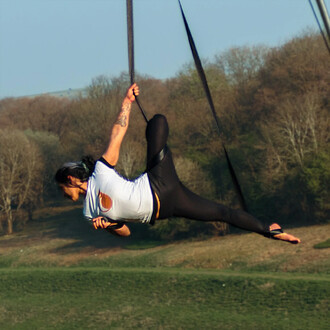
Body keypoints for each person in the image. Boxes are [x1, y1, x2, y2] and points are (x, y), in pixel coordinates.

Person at [55, 83, 301, 244]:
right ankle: (271, 231)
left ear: (70, 179)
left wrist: (127, 102)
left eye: (61, 188)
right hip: (169, 207)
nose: (63, 194)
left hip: (158, 182)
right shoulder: (90, 214)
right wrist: (109, 225)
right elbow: (126, 232)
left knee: (158, 122)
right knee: (221, 213)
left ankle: (268, 229)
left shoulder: (100, 170)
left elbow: (117, 133)